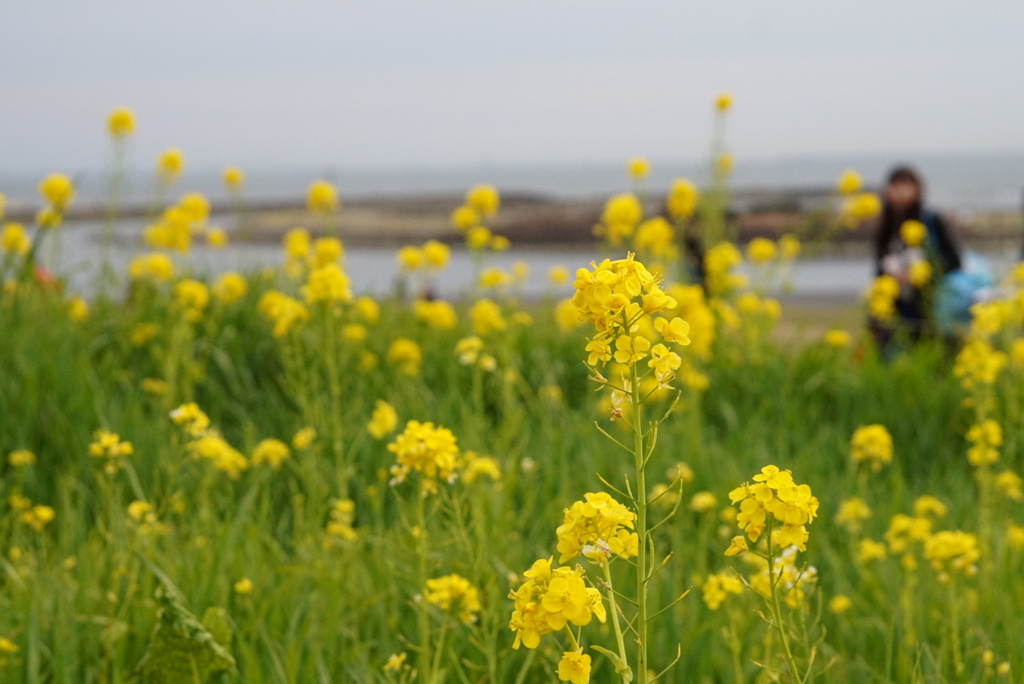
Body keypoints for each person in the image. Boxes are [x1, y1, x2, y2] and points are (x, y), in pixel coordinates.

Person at [870, 166, 961, 349]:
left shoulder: (931, 221)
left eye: (906, 185)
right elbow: (879, 269)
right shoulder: (885, 226)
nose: (900, 191)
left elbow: (954, 261)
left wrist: (922, 275)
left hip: (928, 307)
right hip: (894, 308)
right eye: (895, 185)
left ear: (918, 189)